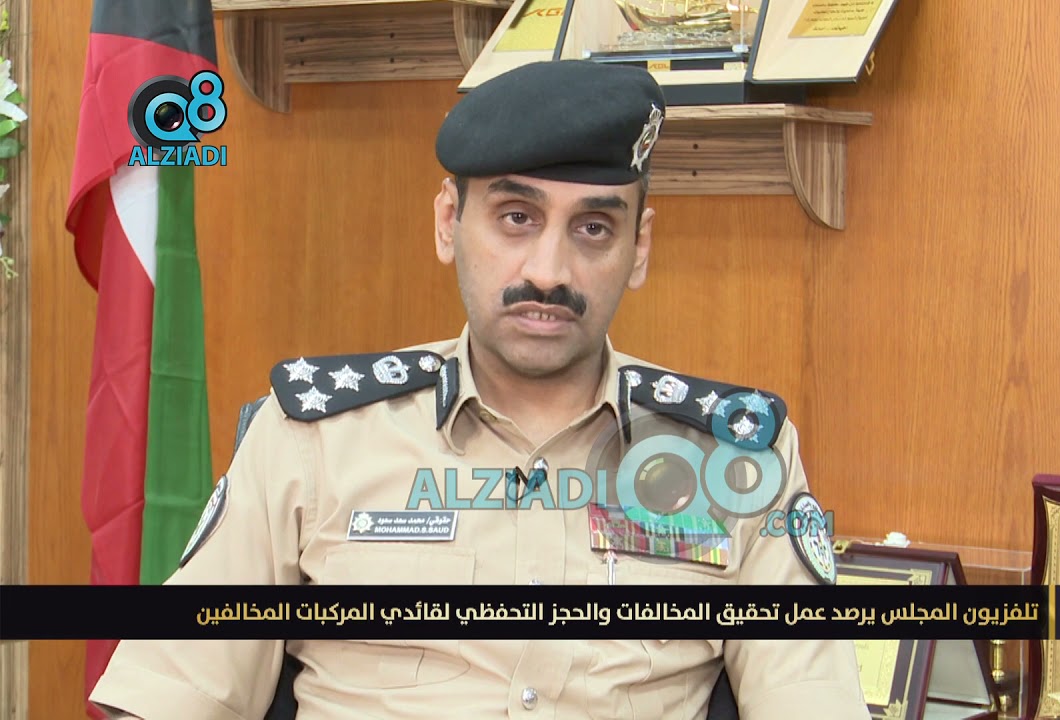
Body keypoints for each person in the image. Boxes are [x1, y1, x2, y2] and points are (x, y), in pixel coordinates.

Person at [90, 60, 868, 720]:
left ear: (638, 248)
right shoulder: (314, 439)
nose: (549, 273)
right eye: (516, 217)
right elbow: (172, 694)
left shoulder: (736, 455)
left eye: (594, 228)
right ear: (448, 223)